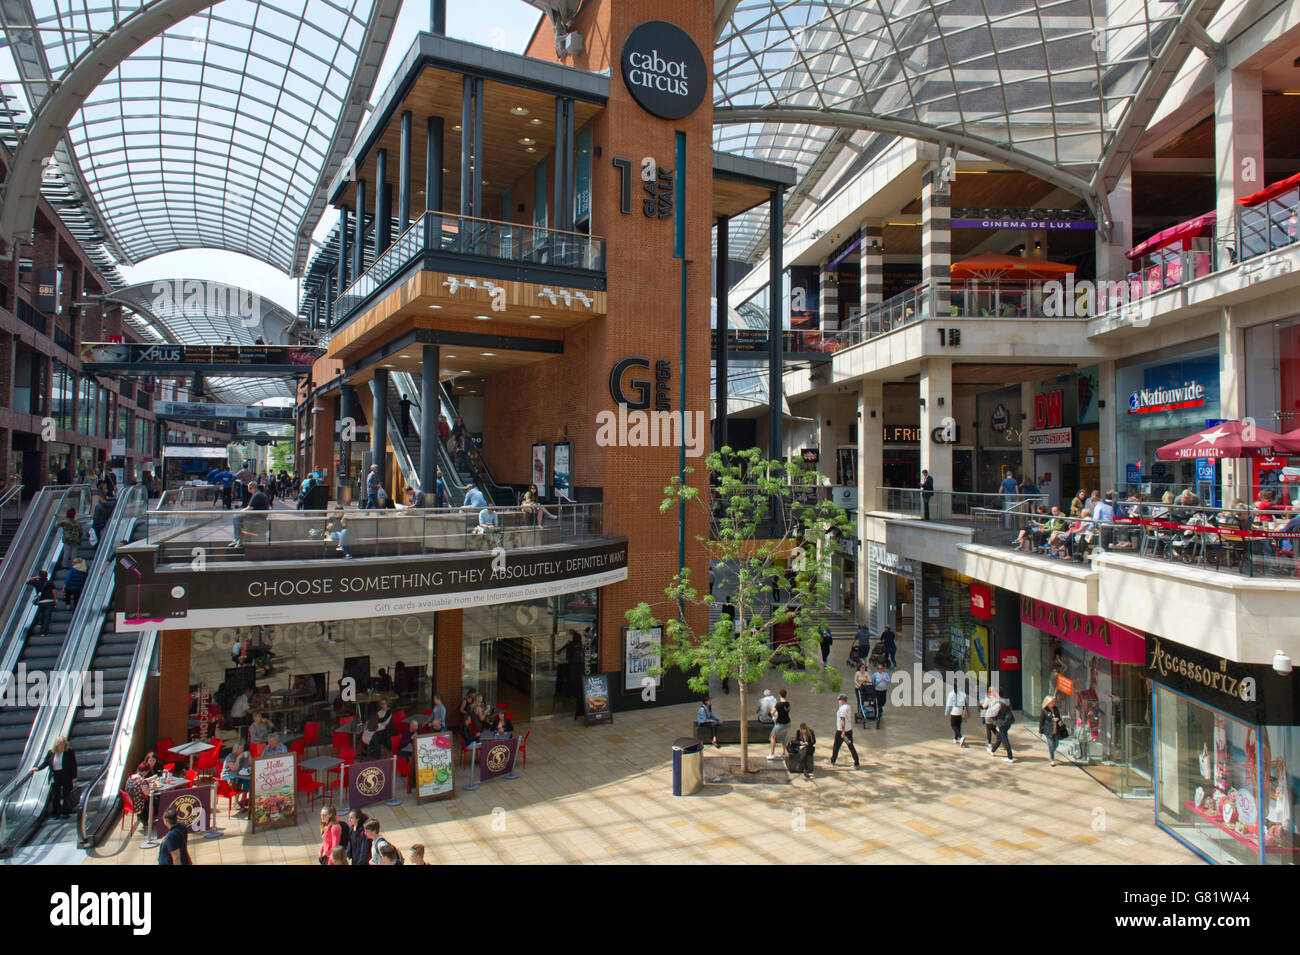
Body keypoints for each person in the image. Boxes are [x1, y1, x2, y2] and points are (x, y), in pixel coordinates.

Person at [32, 736, 77, 818]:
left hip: (66, 775)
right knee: (55, 794)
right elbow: (45, 763)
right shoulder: (51, 752)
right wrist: (38, 768)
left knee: (66, 794)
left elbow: (73, 764)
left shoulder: (69, 752)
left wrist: (74, 776)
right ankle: (56, 812)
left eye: (63, 744)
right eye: (60, 744)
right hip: (55, 775)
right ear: (56, 745)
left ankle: (65, 812)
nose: (61, 746)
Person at [230, 481, 271, 549]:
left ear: (250, 488)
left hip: (258, 516)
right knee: (239, 518)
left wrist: (238, 512)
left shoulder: (257, 495)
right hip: (260, 515)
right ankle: (239, 539)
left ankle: (237, 539)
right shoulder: (260, 494)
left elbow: (249, 508)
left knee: (236, 518)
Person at [829, 694, 860, 768]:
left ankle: (833, 760)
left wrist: (843, 732)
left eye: (839, 700)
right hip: (849, 730)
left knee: (836, 746)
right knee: (850, 746)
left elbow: (842, 720)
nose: (838, 701)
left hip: (841, 731)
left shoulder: (842, 709)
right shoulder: (848, 706)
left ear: (842, 700)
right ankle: (856, 762)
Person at [986, 689, 1015, 762]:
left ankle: (1010, 756)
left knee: (1004, 739)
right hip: (1008, 721)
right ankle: (993, 751)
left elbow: (991, 712)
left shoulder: (999, 703)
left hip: (1002, 722)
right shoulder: (1007, 700)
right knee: (999, 736)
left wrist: (993, 703)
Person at [222, 741, 252, 809]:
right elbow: (234, 769)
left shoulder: (242, 755)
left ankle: (243, 800)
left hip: (239, 774)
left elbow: (249, 765)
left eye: (242, 749)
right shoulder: (230, 757)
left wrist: (249, 756)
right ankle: (236, 802)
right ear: (236, 749)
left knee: (247, 780)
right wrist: (238, 758)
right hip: (228, 775)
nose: (242, 750)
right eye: (240, 749)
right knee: (237, 780)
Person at [26, 570, 55, 636]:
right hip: (49, 601)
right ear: (47, 575)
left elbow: (27, 581)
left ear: (40, 576)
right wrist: (55, 600)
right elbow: (54, 592)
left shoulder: (36, 582)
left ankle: (41, 627)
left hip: (41, 602)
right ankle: (44, 632)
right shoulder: (50, 583)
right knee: (47, 616)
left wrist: (35, 577)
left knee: (43, 614)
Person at [766, 689, 791, 761]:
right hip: (788, 723)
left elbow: (772, 713)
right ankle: (783, 753)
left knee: (772, 737)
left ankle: (772, 754)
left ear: (779, 695)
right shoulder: (788, 704)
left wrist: (769, 713)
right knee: (783, 737)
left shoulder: (779, 704)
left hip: (780, 723)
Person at [1039, 695, 1064, 766]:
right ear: (1048, 703)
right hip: (1048, 730)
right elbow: (1041, 721)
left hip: (1055, 729)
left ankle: (1051, 752)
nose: (1053, 703)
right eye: (1051, 702)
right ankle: (1052, 759)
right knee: (1050, 744)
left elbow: (1059, 717)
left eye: (1053, 702)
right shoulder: (1044, 710)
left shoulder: (1055, 709)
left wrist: (1060, 723)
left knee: (1056, 743)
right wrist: (1040, 731)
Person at [945, 678, 969, 745]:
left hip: (954, 711)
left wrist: (946, 712)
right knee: (958, 725)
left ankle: (961, 737)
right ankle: (956, 738)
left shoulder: (951, 694)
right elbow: (966, 703)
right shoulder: (963, 694)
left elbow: (948, 704)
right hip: (960, 711)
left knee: (953, 725)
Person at [870, 663, 890, 728]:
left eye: (881, 668)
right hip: (877, 690)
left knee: (883, 701)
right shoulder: (875, 674)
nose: (880, 670)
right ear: (877, 669)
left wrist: (885, 679)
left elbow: (889, 680)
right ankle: (878, 710)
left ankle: (880, 708)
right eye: (879, 668)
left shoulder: (885, 674)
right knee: (878, 701)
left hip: (884, 690)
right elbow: (872, 681)